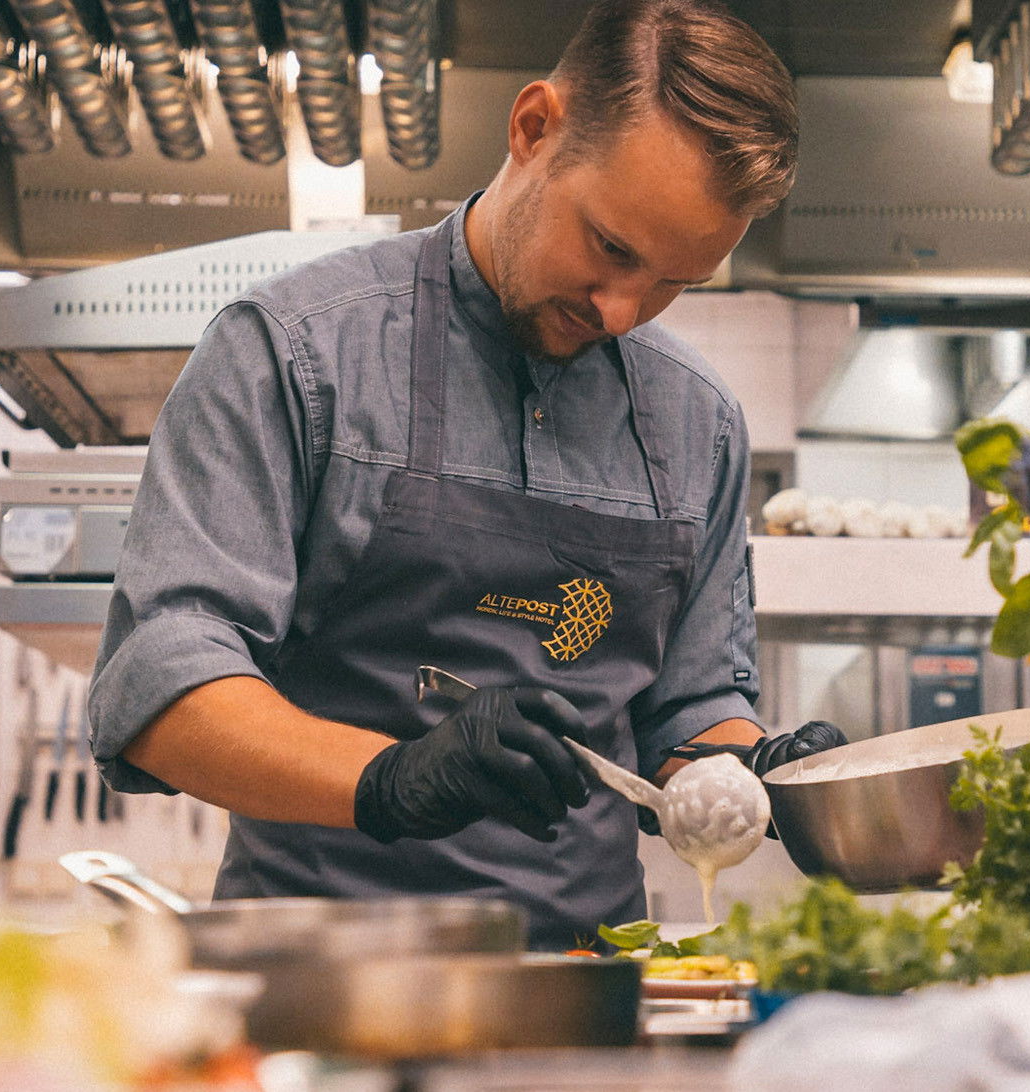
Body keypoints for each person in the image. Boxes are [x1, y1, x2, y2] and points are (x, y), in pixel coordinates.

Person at [87, 0, 846, 949]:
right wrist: (390, 780)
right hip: (315, 977)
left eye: (672, 283)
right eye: (612, 249)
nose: (621, 312)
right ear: (533, 128)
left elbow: (690, 708)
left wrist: (750, 771)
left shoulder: (699, 421)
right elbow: (160, 687)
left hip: (589, 983)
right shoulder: (294, 352)